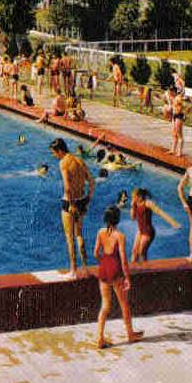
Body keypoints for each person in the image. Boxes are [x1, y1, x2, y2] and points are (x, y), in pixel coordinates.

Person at [94, 206, 143, 349]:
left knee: (105, 305)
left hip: (103, 269)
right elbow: (123, 260)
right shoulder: (120, 236)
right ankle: (130, 334)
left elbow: (96, 253)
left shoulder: (100, 232)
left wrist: (103, 262)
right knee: (124, 304)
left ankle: (100, 338)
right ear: (118, 219)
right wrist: (127, 277)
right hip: (115, 271)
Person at [49, 138, 95, 277]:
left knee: (69, 237)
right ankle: (86, 269)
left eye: (54, 153)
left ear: (60, 151)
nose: (54, 156)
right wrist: (87, 199)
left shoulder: (63, 163)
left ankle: (73, 271)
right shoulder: (80, 161)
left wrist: (71, 204)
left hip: (70, 203)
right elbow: (92, 182)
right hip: (82, 200)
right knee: (79, 235)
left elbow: (67, 187)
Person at [130, 188, 180, 262]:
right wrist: (133, 207)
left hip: (148, 232)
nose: (132, 199)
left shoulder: (147, 203)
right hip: (140, 231)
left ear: (140, 197)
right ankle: (132, 271)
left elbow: (160, 212)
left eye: (134, 197)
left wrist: (173, 222)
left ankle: (146, 271)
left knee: (141, 252)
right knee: (134, 251)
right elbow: (133, 218)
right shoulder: (135, 204)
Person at [169, 88, 186, 157]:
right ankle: (173, 149)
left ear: (174, 92)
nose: (170, 93)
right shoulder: (174, 98)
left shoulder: (179, 98)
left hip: (179, 116)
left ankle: (180, 152)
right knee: (174, 134)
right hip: (174, 116)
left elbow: (184, 107)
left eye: (171, 92)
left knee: (179, 135)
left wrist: (184, 114)